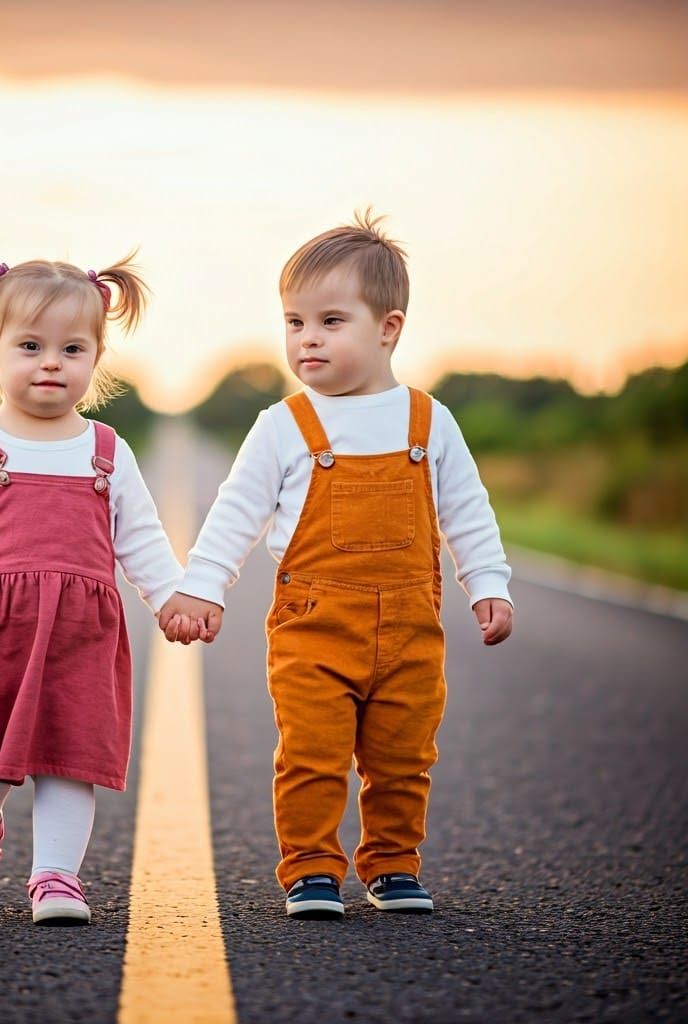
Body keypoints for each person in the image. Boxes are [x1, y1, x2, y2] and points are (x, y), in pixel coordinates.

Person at [159, 209, 514, 918]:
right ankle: (312, 869)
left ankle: (392, 865)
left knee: (404, 758)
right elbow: (235, 512)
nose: (307, 338)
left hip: (411, 630)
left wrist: (488, 583)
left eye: (329, 320)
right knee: (313, 754)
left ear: (388, 328)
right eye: (293, 322)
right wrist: (203, 586)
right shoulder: (286, 424)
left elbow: (467, 511)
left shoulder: (428, 419)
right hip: (313, 628)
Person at [0, 237, 190, 925]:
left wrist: (171, 599)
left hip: (80, 634)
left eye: (72, 349)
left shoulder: (106, 451)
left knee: (70, 758)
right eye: (31, 347)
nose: (52, 362)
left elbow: (139, 535)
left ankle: (56, 878)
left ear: (95, 359)